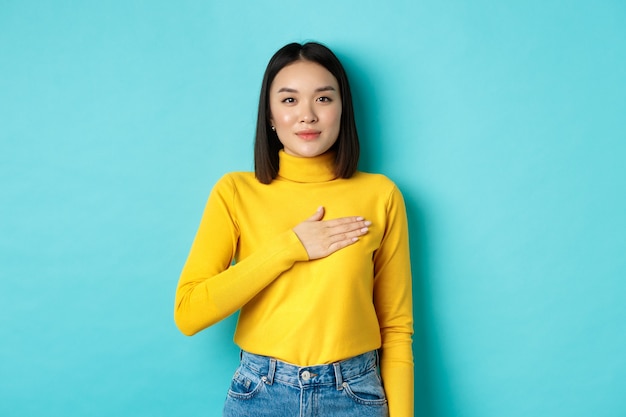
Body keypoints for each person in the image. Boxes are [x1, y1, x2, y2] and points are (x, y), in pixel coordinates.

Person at [174, 41, 413, 417]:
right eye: (289, 100)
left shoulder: (381, 195)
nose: (307, 115)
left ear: (342, 109)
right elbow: (188, 313)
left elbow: (396, 329)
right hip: (261, 393)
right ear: (269, 114)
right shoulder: (235, 191)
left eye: (323, 99)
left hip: (355, 395)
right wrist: (289, 247)